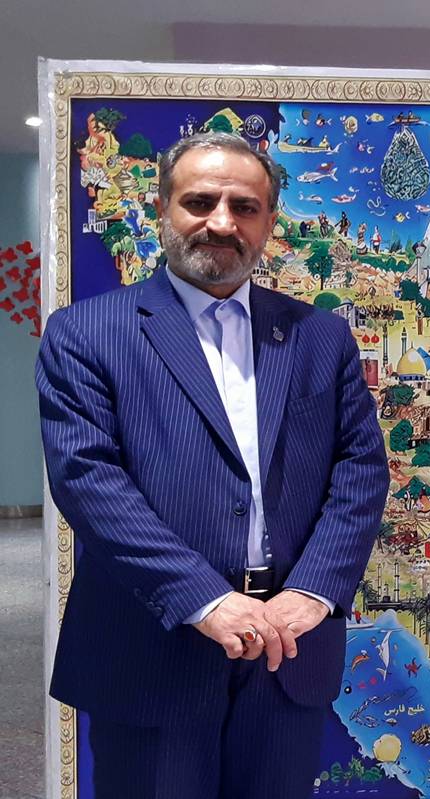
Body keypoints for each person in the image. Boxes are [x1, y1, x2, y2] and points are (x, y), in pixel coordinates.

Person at [36, 132, 389, 799]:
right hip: (151, 645)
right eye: (200, 202)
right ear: (162, 210)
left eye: (244, 207)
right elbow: (89, 481)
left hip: (287, 648)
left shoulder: (320, 336)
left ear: (269, 222)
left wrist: (311, 593)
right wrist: (205, 598)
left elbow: (360, 470)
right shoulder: (85, 334)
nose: (222, 223)